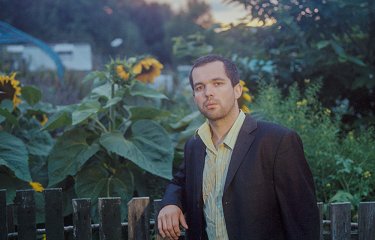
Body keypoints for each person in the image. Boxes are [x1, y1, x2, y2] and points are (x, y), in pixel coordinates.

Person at [157, 55, 320, 240]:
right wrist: (170, 204)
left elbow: (302, 222)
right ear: (195, 97)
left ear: (237, 90)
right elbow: (179, 182)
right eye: (199, 87)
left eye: (217, 83)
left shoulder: (277, 141)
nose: (208, 93)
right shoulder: (195, 145)